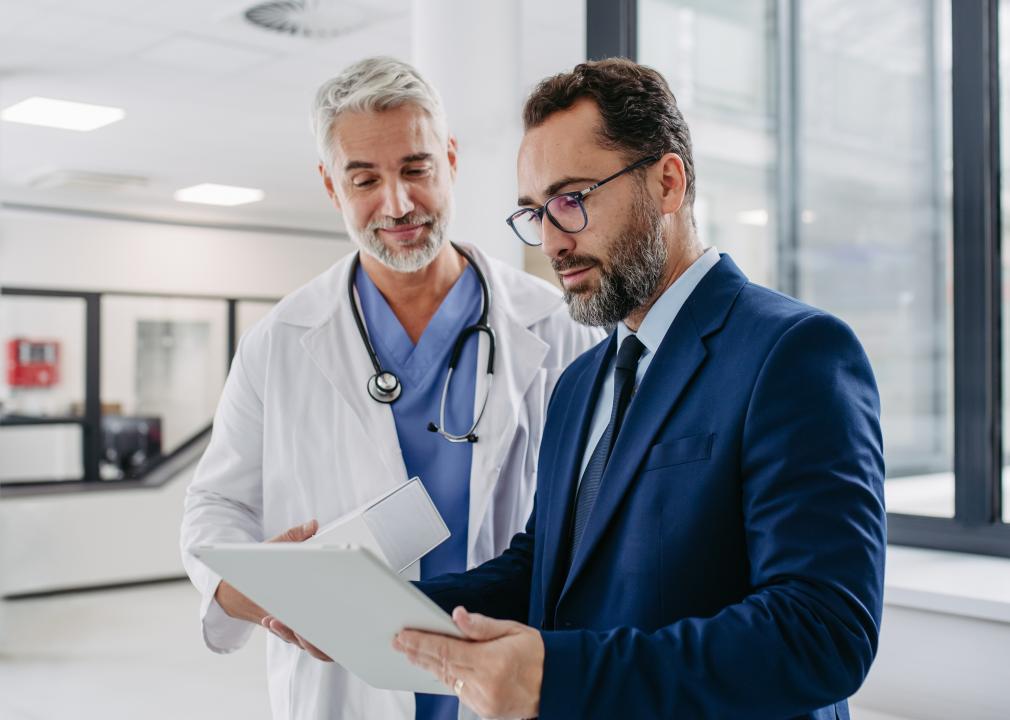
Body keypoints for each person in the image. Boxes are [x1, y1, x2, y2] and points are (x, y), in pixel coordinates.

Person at [394, 58, 887, 720]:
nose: (552, 242)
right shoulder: (576, 384)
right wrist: (388, 609)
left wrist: (561, 674)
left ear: (668, 183)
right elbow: (542, 567)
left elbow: (822, 633)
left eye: (571, 200)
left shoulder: (793, 353)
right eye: (534, 213)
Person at [179, 56, 603, 720]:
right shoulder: (282, 341)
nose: (398, 204)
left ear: (451, 159)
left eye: (415, 169)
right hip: (345, 684)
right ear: (330, 186)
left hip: (508, 671)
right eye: (364, 178)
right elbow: (214, 507)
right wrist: (252, 587)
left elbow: (599, 515)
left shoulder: (555, 327)